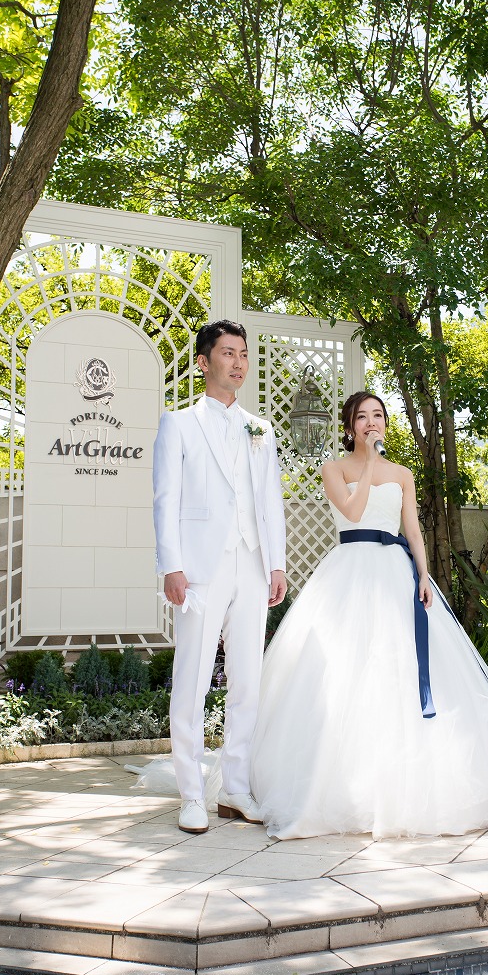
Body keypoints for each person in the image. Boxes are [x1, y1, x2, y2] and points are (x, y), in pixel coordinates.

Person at [248, 391, 488, 839]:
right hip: (349, 572)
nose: (371, 423)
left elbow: (412, 529)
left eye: (377, 415)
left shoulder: (403, 474)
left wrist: (424, 575)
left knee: (400, 669)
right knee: (346, 670)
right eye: (362, 417)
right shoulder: (334, 468)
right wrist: (370, 465)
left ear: (385, 423)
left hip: (396, 572)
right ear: (350, 426)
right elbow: (353, 510)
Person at [152, 320, 286, 834]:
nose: (238, 362)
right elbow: (166, 499)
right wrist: (171, 565)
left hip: (251, 563)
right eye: (228, 353)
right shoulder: (179, 424)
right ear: (204, 362)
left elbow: (269, 501)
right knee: (192, 679)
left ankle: (234, 788)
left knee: (247, 680)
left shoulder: (260, 429)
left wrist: (276, 563)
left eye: (243, 354)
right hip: (200, 569)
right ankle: (191, 794)